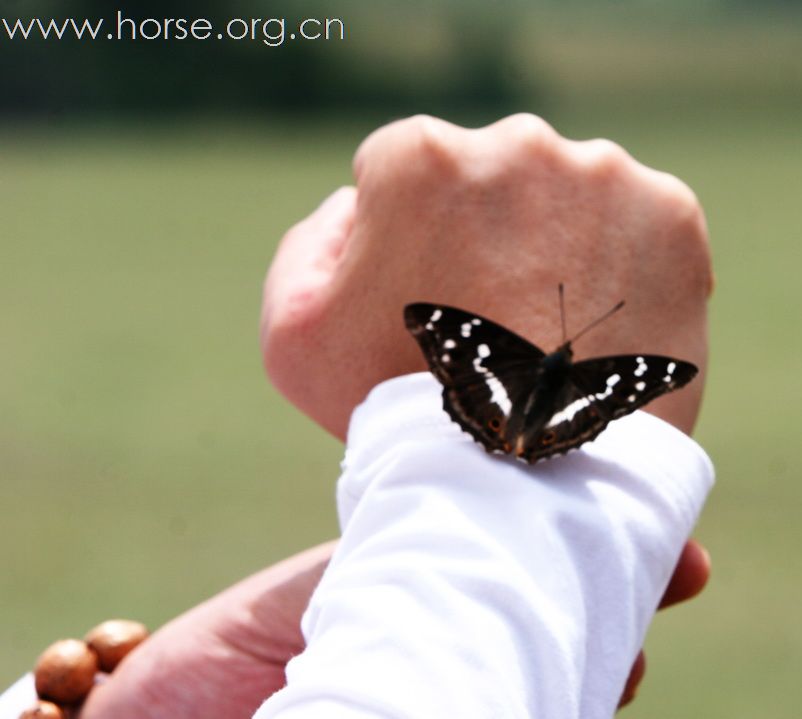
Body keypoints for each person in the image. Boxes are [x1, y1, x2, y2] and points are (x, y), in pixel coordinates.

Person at [0, 114, 715, 718]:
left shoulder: (516, 356)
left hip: (503, 405)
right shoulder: (593, 378)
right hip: (550, 421)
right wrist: (515, 519)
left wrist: (135, 702)